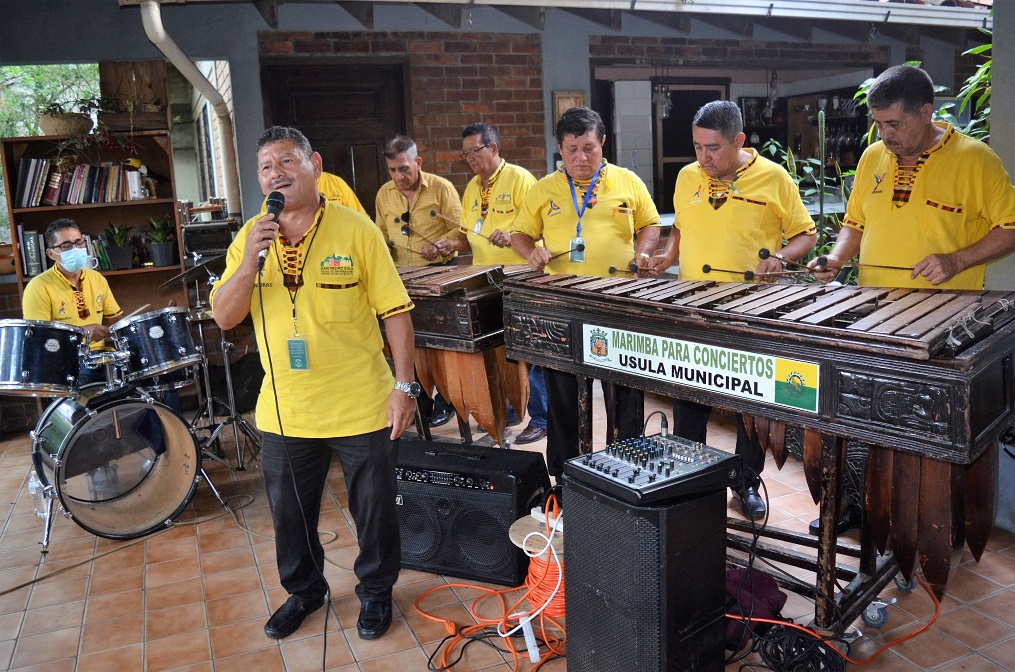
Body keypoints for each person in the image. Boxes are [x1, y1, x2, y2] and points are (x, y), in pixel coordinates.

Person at [210, 126, 417, 641]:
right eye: (265, 167)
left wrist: (405, 387)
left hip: (362, 400)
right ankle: (304, 591)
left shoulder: (356, 229)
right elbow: (224, 317)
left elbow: (396, 313)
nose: (275, 173)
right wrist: (248, 265)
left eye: (286, 161)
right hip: (286, 408)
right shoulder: (250, 237)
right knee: (290, 513)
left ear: (314, 163)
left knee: (373, 510)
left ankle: (375, 592)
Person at [808, 64, 1015, 535]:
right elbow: (855, 223)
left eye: (894, 124)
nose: (884, 135)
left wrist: (957, 260)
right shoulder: (872, 158)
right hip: (876, 312)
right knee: (860, 411)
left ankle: (925, 521)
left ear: (927, 112)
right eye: (878, 124)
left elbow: (1011, 225)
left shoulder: (975, 159)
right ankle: (860, 507)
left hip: (943, 322)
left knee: (921, 427)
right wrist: (836, 258)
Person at [644, 100, 816, 520]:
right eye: (697, 146)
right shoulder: (688, 177)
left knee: (749, 405)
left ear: (738, 141)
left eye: (713, 148)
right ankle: (689, 480)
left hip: (749, 309)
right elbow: (682, 225)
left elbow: (806, 235)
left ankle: (745, 483)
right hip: (694, 306)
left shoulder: (773, 178)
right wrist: (667, 258)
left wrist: (778, 257)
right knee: (688, 396)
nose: (703, 157)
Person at [511, 106, 661, 480]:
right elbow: (519, 233)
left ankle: (625, 471)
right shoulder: (542, 189)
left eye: (589, 148)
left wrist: (643, 253)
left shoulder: (627, 181)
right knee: (563, 398)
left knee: (624, 395)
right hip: (565, 307)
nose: (581, 158)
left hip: (617, 304)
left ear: (603, 144)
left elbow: (651, 224)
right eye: (572, 149)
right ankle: (565, 477)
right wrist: (532, 252)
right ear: (559, 149)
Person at [460, 122, 547, 444]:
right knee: (500, 350)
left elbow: (539, 230)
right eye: (465, 153)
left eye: (475, 151)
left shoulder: (520, 179)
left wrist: (511, 237)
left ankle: (541, 417)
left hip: (518, 278)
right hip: (484, 280)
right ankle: (511, 407)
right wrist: (450, 244)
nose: (470, 158)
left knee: (533, 349)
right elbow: (467, 234)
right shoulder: (471, 187)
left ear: (493, 148)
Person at [375, 135, 464, 427]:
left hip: (439, 277)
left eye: (404, 169)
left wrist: (443, 243)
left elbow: (461, 233)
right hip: (401, 282)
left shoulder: (442, 188)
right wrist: (382, 249)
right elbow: (380, 236)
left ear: (418, 162)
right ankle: (419, 401)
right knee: (409, 346)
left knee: (441, 348)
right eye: (392, 170)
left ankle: (448, 401)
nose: (398, 177)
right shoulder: (384, 194)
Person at [22, 218, 123, 387]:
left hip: (103, 357)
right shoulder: (38, 286)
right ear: (51, 254)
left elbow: (118, 322)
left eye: (78, 243)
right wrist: (81, 334)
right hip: (66, 361)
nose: (75, 249)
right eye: (66, 246)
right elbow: (39, 340)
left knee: (151, 382)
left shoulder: (96, 278)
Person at [260, 171, 368, 216]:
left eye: (287, 161)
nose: (277, 173)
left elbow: (362, 219)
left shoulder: (336, 183)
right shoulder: (275, 198)